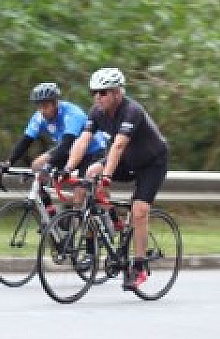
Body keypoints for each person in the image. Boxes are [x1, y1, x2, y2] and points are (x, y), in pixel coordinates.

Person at [62, 67, 169, 291]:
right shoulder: (97, 112)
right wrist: (68, 168)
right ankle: (115, 222)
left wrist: (107, 176)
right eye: (95, 93)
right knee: (91, 172)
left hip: (152, 163)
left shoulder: (132, 110)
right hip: (127, 160)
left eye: (103, 93)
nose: (97, 97)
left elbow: (119, 145)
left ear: (117, 93)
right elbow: (83, 140)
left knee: (139, 210)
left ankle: (138, 268)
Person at [0, 82, 109, 211]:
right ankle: (50, 214)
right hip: (68, 150)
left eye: (45, 106)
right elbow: (25, 141)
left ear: (55, 103)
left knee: (79, 197)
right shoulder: (39, 117)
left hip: (92, 152)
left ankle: (96, 218)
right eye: (38, 106)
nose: (41, 110)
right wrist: (8, 162)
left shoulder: (73, 114)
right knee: (36, 166)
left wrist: (49, 166)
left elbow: (67, 144)